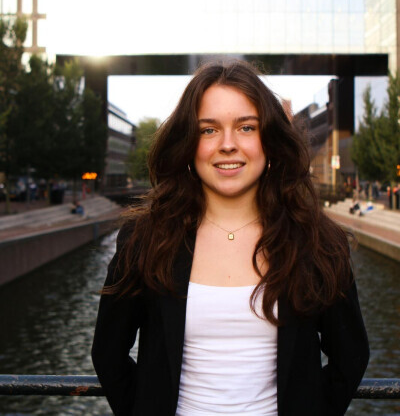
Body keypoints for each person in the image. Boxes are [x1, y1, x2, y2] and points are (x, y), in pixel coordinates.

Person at [92, 60, 369, 416]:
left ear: (269, 140)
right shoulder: (145, 240)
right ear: (188, 143)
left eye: (246, 127)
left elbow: (351, 356)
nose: (227, 145)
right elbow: (108, 354)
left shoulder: (317, 242)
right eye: (208, 130)